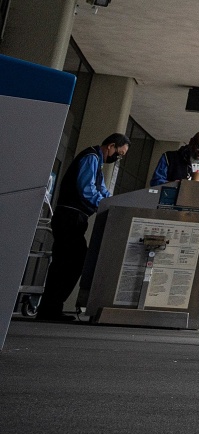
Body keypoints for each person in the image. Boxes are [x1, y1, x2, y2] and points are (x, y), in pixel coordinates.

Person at [37, 133, 130, 321]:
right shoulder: (91, 158)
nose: (117, 158)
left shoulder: (97, 163)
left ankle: (51, 307)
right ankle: (49, 309)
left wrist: (113, 203)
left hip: (76, 218)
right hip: (69, 216)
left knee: (69, 261)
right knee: (69, 262)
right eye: (118, 154)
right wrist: (103, 205)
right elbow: (86, 189)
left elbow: (102, 190)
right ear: (110, 146)